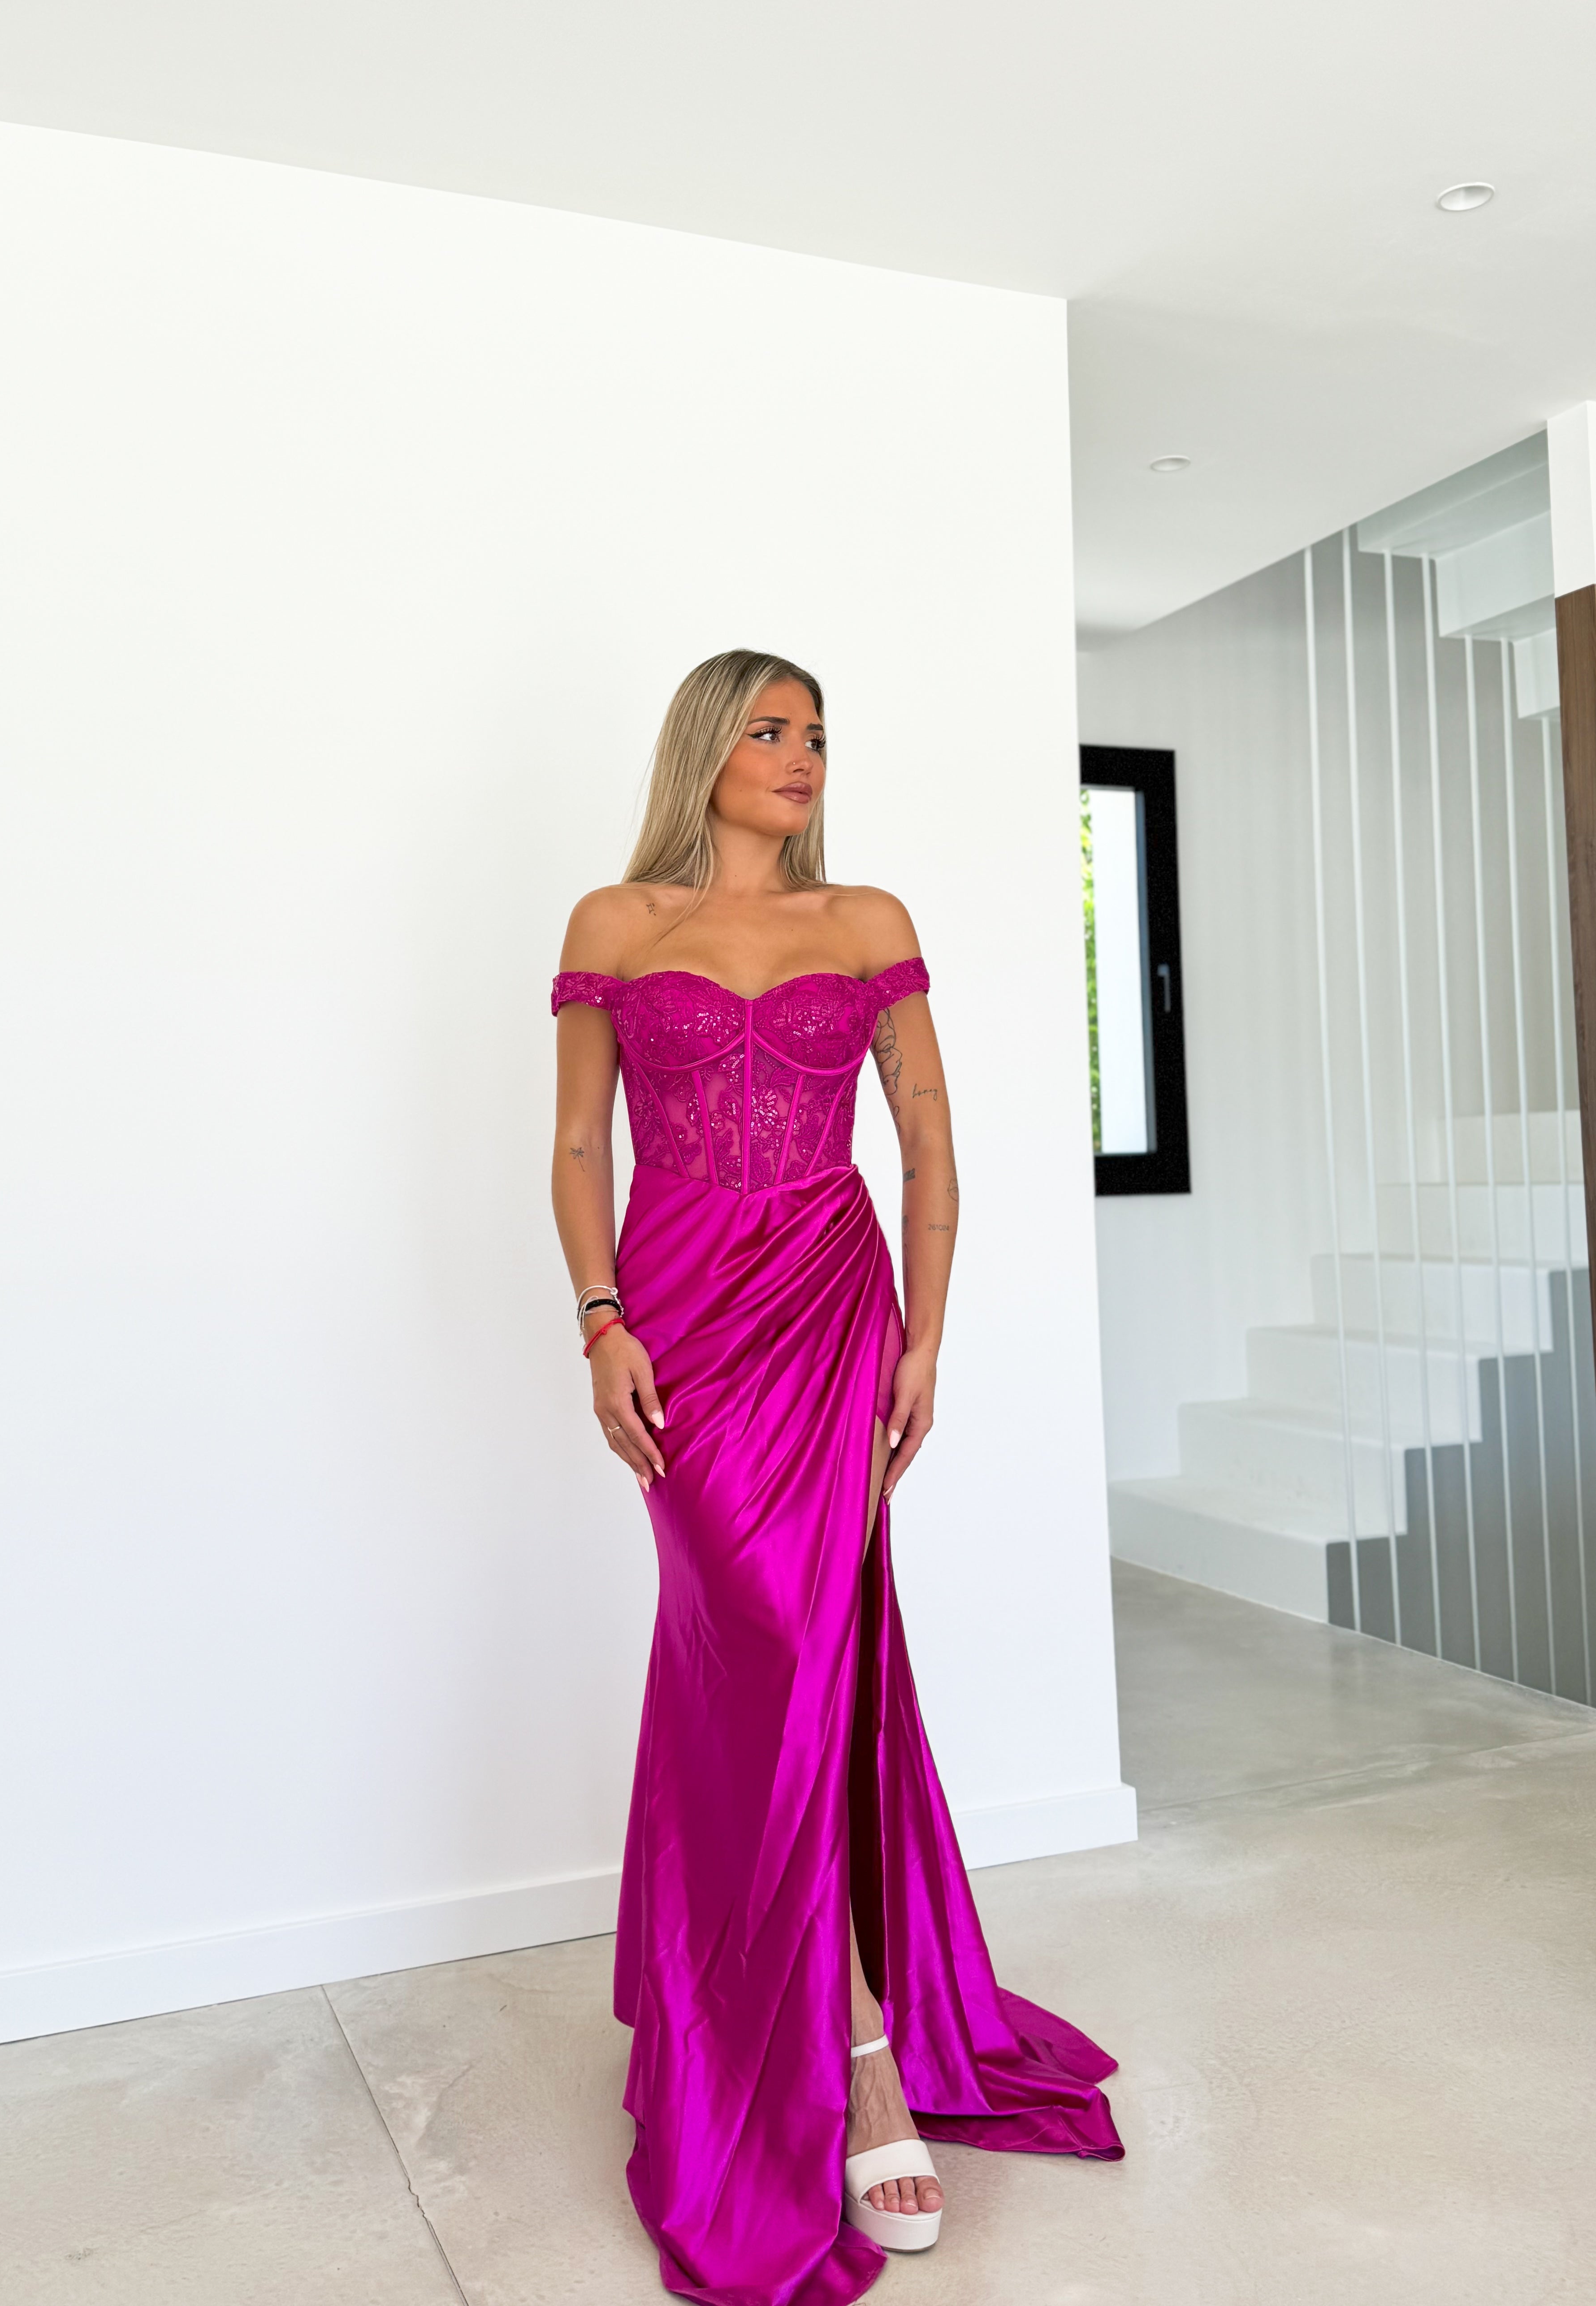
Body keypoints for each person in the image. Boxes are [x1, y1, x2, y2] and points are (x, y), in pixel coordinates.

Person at [551, 650, 1121, 2305]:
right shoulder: (613, 923)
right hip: (677, 1310)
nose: (801, 756)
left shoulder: (865, 922)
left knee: (810, 1649)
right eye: (768, 730)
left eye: (815, 734)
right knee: (744, 1646)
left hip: (827, 1308)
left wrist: (923, 1341)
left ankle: (856, 2040)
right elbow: (578, 1145)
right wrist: (598, 1321)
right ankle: (804, 2034)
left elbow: (931, 1148)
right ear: (704, 748)